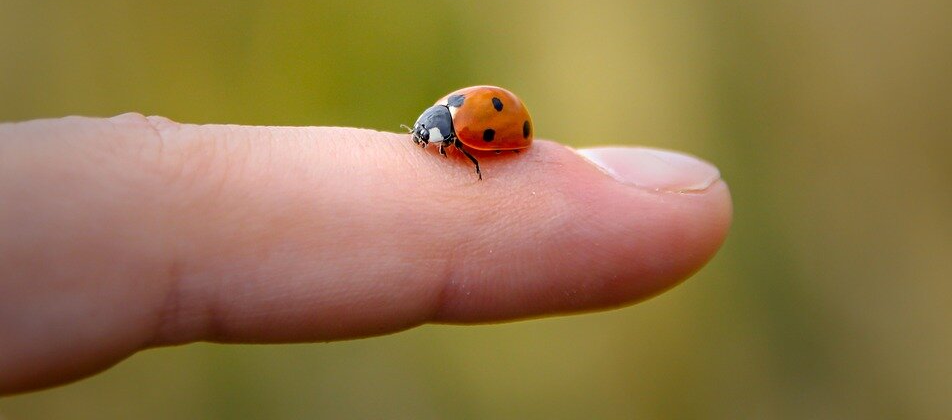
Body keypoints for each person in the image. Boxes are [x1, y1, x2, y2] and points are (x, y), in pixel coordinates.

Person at [0, 113, 732, 394]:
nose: (429, 148)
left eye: (431, 141)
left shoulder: (461, 128)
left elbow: (493, 138)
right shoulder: (449, 127)